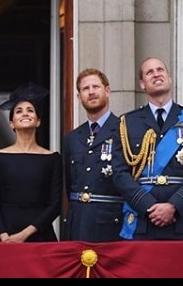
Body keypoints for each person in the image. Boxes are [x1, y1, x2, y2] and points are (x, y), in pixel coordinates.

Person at [111, 57, 183, 240]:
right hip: (142, 220)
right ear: (142, 84)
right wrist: (148, 206)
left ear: (169, 78)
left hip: (182, 220)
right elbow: (119, 173)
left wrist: (173, 206)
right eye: (149, 72)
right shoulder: (127, 123)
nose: (156, 74)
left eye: (160, 70)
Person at [0, 83, 63, 242]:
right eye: (19, 111)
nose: (25, 114)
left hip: (40, 236)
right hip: (4, 237)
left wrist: (24, 235)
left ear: (38, 121)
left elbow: (55, 204)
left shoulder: (53, 158)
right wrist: (4, 236)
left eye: (30, 110)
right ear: (11, 123)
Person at [62, 68, 124, 242]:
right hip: (77, 224)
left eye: (95, 86)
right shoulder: (72, 138)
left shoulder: (124, 130)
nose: (91, 92)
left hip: (111, 225)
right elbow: (69, 184)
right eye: (85, 89)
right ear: (79, 96)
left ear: (107, 91)